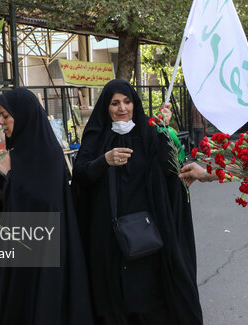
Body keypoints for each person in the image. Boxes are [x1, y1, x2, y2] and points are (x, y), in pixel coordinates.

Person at [71, 79, 202, 325]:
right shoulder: (96, 136)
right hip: (106, 234)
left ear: (135, 104)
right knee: (112, 297)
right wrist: (104, 161)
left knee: (145, 296)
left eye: (127, 101)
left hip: (144, 232)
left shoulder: (149, 134)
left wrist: (164, 130)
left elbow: (169, 169)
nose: (122, 108)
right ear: (106, 108)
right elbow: (80, 174)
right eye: (115, 103)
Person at [0, 88, 93, 325]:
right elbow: (17, 194)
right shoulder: (17, 149)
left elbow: (46, 205)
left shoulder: (48, 153)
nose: (0, 121)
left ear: (24, 116)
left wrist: (10, 175)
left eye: (5, 116)